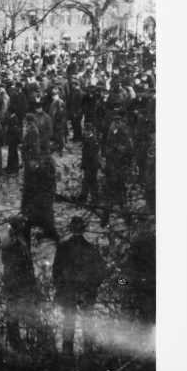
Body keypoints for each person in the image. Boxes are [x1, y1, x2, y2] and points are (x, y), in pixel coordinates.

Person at [52, 215, 106, 356]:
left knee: (69, 321)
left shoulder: (63, 247)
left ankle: (67, 352)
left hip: (69, 291)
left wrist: (60, 288)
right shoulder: (90, 248)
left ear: (71, 229)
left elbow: (56, 271)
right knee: (87, 321)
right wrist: (94, 286)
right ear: (83, 230)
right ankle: (88, 351)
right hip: (86, 291)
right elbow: (102, 270)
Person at [0, 215, 37, 351]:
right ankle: (16, 341)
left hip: (13, 281)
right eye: (22, 225)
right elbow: (23, 264)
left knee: (13, 310)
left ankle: (16, 340)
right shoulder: (15, 243)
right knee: (16, 310)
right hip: (18, 282)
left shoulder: (11, 241)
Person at [79, 123, 101, 205]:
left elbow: (93, 154)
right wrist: (83, 164)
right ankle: (84, 197)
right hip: (87, 164)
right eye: (85, 130)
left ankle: (94, 198)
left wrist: (89, 164)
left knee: (92, 181)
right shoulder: (86, 139)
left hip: (92, 164)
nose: (85, 132)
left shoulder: (93, 140)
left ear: (90, 131)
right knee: (87, 181)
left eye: (87, 130)